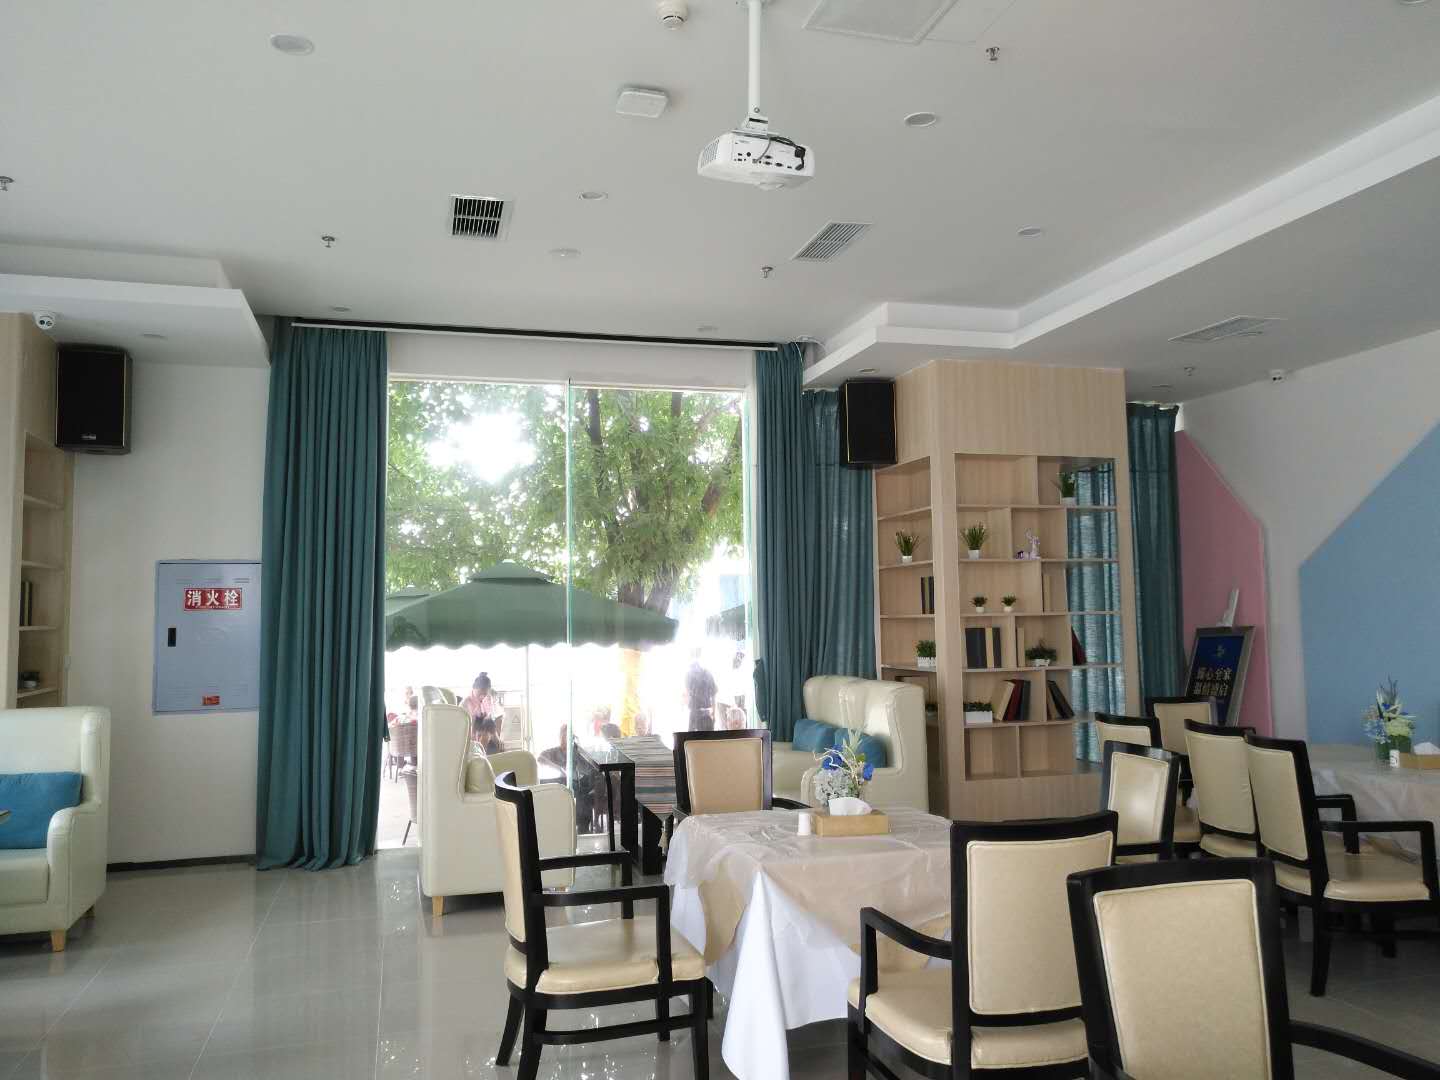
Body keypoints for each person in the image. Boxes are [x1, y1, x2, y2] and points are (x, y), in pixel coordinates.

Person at [684, 650, 718, 731]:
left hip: (695, 713)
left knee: (693, 738)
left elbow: (687, 695)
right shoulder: (708, 673)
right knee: (708, 738)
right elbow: (714, 695)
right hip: (706, 713)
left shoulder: (688, 674)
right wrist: (714, 714)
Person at [462, 672, 499, 740]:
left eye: (485, 694)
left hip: (485, 732)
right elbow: (463, 724)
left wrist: (496, 736)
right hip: (470, 733)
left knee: (492, 721)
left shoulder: (488, 699)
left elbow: (490, 719)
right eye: (480, 693)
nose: (482, 696)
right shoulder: (466, 702)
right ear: (474, 688)